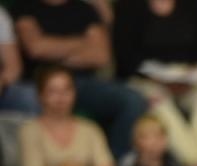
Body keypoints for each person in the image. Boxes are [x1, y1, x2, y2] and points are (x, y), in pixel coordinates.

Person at [11, 0, 147, 155]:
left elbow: (101, 56)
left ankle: (117, 162)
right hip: (41, 82)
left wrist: (54, 52)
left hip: (84, 83)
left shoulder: (84, 9)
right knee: (31, 96)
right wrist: (84, 42)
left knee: (132, 100)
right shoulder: (25, 7)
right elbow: (36, 48)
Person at [113, 0, 197, 166]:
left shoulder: (192, 5)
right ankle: (196, 163)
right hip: (147, 79)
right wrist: (159, 78)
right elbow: (125, 58)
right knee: (159, 104)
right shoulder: (129, 7)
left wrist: (192, 73)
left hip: (189, 78)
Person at [19, 65, 118, 166]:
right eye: (53, 91)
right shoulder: (30, 131)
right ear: (40, 95)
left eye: (66, 90)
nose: (61, 98)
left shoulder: (90, 129)